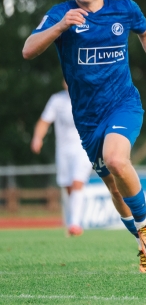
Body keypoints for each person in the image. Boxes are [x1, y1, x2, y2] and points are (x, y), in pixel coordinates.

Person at [22, 0, 146, 273]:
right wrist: (60, 26)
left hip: (123, 104)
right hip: (87, 119)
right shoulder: (61, 14)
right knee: (114, 187)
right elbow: (28, 50)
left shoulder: (124, 9)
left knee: (117, 159)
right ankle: (144, 243)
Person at [32, 82, 93, 236]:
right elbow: (44, 121)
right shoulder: (57, 100)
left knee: (77, 182)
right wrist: (37, 138)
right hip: (63, 150)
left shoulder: (88, 96)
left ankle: (75, 224)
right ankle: (73, 220)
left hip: (83, 147)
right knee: (68, 186)